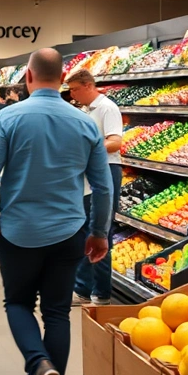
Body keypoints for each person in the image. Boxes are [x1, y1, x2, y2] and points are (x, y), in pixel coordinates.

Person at [0, 48, 113, 375]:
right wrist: (99, 232)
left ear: (29, 78)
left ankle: (38, 365)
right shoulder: (85, 123)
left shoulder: (8, 119)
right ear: (63, 77)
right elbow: (103, 187)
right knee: (56, 313)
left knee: (18, 303)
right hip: (69, 231)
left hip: (17, 231)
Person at [67, 69, 124, 306]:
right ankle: (83, 289)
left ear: (88, 86)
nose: (71, 95)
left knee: (99, 230)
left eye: (74, 90)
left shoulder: (107, 108)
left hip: (106, 172)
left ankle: (100, 293)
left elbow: (116, 141)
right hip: (88, 174)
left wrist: (88, 148)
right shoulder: (85, 110)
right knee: (84, 229)